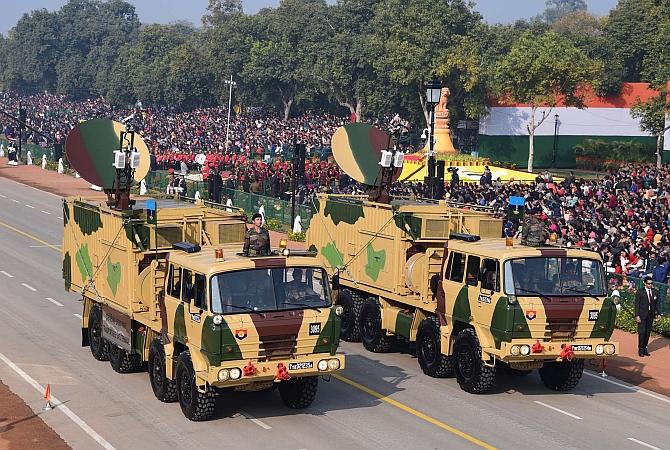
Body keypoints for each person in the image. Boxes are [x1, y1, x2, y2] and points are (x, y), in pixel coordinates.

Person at [634, 276, 659, 357]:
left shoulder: (654, 291)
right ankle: (640, 350)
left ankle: (645, 349)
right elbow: (636, 304)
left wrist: (658, 313)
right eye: (648, 283)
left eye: (651, 283)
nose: (650, 285)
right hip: (642, 315)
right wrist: (637, 315)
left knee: (647, 333)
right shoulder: (640, 292)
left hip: (650, 315)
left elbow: (657, 304)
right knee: (642, 333)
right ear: (644, 283)